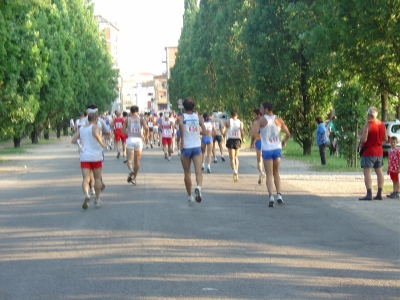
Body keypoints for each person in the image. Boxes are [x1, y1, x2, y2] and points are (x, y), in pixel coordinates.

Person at [251, 101, 291, 207]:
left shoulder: (261, 120)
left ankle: (271, 197)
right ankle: (279, 195)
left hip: (267, 150)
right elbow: (288, 134)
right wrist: (283, 141)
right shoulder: (279, 120)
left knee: (268, 174)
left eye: (261, 108)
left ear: (266, 109)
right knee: (276, 172)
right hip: (277, 149)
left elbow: (254, 134)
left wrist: (254, 135)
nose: (260, 110)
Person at [71, 112, 106, 209]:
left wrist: (81, 145)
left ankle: (86, 194)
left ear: (88, 119)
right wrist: (102, 144)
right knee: (97, 178)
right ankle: (97, 199)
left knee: (86, 178)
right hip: (96, 156)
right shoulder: (97, 126)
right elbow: (95, 134)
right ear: (96, 119)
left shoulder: (82, 128)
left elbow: (73, 140)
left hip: (84, 156)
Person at [178, 97, 207, 204]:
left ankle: (190, 195)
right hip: (196, 147)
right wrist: (198, 133)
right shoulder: (198, 117)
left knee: (187, 173)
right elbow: (204, 131)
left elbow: (181, 125)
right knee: (198, 171)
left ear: (184, 107)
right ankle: (199, 187)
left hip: (186, 148)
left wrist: (182, 140)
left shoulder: (181, 117)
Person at [359, 106, 386, 201]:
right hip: (379, 151)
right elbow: (386, 138)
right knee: (379, 173)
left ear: (369, 114)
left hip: (368, 151)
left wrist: (361, 134)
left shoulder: (368, 124)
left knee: (367, 173)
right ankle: (379, 193)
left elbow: (364, 139)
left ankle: (369, 193)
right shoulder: (382, 124)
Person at [122, 106, 149, 185]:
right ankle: (134, 177)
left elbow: (123, 131)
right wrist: (146, 137)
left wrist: (129, 130)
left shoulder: (127, 120)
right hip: (138, 140)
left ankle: (130, 170)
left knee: (129, 159)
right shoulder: (141, 119)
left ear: (131, 111)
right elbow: (146, 128)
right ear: (138, 111)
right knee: (137, 161)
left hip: (130, 139)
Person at [225, 110, 245, 182]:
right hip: (237, 140)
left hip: (230, 139)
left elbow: (224, 130)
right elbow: (242, 131)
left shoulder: (228, 121)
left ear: (231, 115)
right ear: (237, 115)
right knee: (236, 157)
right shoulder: (240, 122)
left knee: (231, 158)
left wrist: (224, 134)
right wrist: (243, 138)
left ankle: (234, 170)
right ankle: (236, 171)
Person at [249, 108, 265, 184]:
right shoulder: (266, 121)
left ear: (259, 114)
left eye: (254, 114)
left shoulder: (256, 122)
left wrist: (252, 143)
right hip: (267, 142)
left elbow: (251, 133)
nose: (254, 116)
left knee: (259, 161)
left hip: (259, 142)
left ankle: (261, 172)